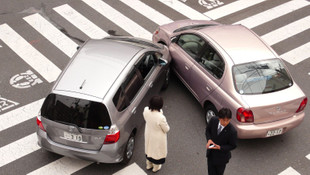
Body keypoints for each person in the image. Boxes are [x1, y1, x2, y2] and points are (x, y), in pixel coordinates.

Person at [205, 108, 237, 175]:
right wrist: (209, 139)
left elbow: (233, 145)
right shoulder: (213, 120)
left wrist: (220, 147)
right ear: (219, 118)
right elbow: (208, 131)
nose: (225, 123)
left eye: (227, 120)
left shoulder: (232, 131)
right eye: (223, 120)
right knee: (210, 172)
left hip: (221, 159)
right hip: (211, 154)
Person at [143, 95, 170, 173]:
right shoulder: (161, 118)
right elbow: (166, 129)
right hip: (157, 137)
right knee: (156, 152)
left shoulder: (146, 110)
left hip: (148, 133)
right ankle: (155, 167)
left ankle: (148, 164)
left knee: (149, 149)